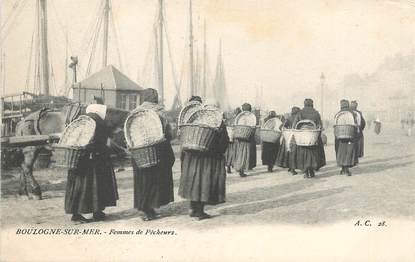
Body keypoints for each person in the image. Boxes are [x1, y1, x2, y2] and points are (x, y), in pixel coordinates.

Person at [64, 103, 118, 223]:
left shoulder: (80, 121)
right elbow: (102, 141)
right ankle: (86, 214)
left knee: (78, 185)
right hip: (93, 159)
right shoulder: (99, 122)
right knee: (95, 185)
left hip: (78, 157)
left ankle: (85, 212)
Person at [179, 97, 229, 220]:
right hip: (209, 158)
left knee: (194, 181)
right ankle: (199, 212)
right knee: (204, 183)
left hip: (193, 157)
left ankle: (192, 208)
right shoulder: (218, 121)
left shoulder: (195, 117)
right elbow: (223, 141)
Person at [131, 88, 175, 221]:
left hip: (138, 151)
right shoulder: (160, 112)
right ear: (155, 98)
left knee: (141, 179)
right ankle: (149, 208)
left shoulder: (134, 113)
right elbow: (169, 134)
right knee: (154, 179)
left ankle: (144, 207)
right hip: (156, 151)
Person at [293, 99, 326, 178]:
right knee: (314, 153)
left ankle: (306, 171)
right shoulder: (316, 113)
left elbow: (294, 126)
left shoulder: (300, 113)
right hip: (313, 137)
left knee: (303, 154)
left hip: (302, 138)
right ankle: (312, 170)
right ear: (312, 104)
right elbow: (320, 126)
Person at [335, 100, 359, 176]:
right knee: (349, 152)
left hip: (340, 136)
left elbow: (335, 126)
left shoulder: (338, 114)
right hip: (350, 135)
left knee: (341, 151)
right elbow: (357, 124)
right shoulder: (353, 114)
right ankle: (347, 169)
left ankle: (343, 168)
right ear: (348, 105)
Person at [234, 103, 257, 177]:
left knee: (239, 154)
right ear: (250, 109)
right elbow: (252, 128)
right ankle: (241, 170)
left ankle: (240, 168)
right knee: (244, 154)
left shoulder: (240, 117)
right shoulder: (251, 117)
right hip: (246, 139)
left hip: (239, 138)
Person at [276, 106, 300, 175]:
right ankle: (292, 169)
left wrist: (286, 131)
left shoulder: (288, 118)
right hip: (295, 138)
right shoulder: (298, 118)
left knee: (288, 153)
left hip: (287, 138)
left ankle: (290, 167)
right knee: (294, 154)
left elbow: (281, 127)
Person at [225, 107, 242, 173]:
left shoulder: (230, 119)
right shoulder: (238, 119)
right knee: (236, 154)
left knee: (229, 153)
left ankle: (228, 167)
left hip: (229, 138)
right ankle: (238, 168)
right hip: (235, 139)